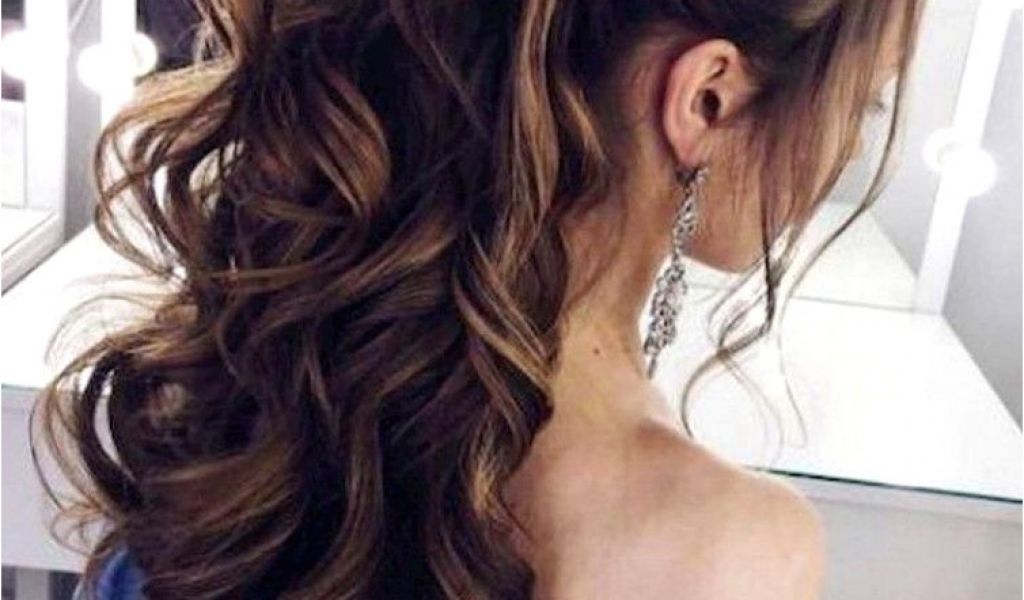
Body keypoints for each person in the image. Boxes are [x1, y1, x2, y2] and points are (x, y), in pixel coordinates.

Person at [40, 0, 922, 598]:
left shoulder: (237, 397)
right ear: (706, 97)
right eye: (864, 108)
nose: (847, 148)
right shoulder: (723, 551)